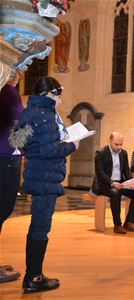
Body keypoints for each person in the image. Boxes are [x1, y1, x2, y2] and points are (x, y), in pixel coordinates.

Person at [8, 76, 79, 293]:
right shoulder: (46, 115)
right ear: (49, 94)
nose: (59, 99)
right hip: (45, 177)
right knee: (41, 226)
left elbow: (19, 143)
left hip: (36, 173)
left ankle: (34, 274)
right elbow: (50, 150)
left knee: (38, 225)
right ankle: (34, 277)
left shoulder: (29, 111)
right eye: (58, 94)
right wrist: (71, 146)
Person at [91, 132, 134, 234]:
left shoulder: (123, 153)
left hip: (120, 183)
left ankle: (129, 222)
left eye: (121, 144)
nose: (119, 147)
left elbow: (126, 170)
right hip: (104, 184)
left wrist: (131, 182)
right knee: (115, 192)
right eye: (116, 144)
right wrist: (112, 183)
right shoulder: (100, 153)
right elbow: (100, 173)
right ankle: (117, 225)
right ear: (110, 141)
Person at [0, 71, 23, 283]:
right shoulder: (7, 91)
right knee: (1, 210)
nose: (21, 73)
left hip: (5, 157)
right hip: (5, 159)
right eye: (18, 67)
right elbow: (19, 127)